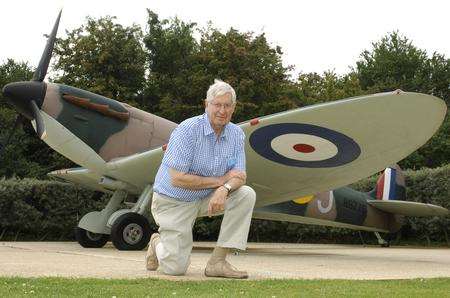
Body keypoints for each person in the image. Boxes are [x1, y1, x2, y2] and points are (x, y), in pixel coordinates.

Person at [145, 79, 256, 279]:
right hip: (173, 201)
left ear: (234, 108)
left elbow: (240, 176)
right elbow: (177, 178)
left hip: (207, 197)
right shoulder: (187, 130)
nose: (222, 110)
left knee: (245, 194)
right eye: (217, 105)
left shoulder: (236, 134)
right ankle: (156, 243)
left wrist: (225, 189)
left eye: (227, 105)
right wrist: (221, 181)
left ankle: (217, 262)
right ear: (206, 104)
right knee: (175, 269)